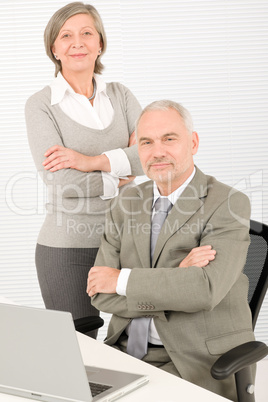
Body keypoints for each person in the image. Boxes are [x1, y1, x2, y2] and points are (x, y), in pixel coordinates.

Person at [87, 100, 255, 400]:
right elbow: (101, 292)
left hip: (193, 360)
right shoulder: (125, 203)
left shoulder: (229, 203)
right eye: (147, 142)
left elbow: (204, 291)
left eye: (169, 138)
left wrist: (122, 281)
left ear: (193, 142)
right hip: (122, 352)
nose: (158, 151)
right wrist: (176, 278)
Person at [25, 2, 143, 338]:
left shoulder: (120, 95)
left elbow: (150, 156)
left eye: (87, 33)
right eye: (66, 35)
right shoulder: (40, 105)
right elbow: (60, 182)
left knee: (139, 344)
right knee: (79, 351)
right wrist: (119, 173)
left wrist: (89, 162)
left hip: (129, 242)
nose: (77, 42)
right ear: (55, 49)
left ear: (100, 43)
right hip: (67, 249)